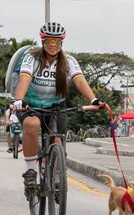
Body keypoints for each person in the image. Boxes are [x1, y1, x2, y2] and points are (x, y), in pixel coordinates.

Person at [12, 22, 106, 191]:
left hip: (56, 106)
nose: (53, 45)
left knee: (57, 139)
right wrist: (19, 99)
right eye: (49, 42)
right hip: (31, 105)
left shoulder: (68, 61)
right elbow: (24, 79)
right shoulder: (31, 58)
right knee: (31, 125)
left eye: (57, 42)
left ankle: (57, 177)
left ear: (62, 43)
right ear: (43, 42)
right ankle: (31, 172)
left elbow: (79, 79)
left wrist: (93, 100)